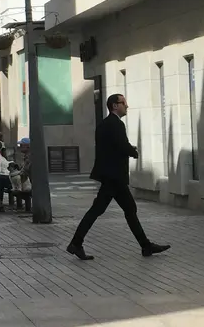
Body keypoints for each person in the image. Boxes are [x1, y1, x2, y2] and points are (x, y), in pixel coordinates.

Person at [68, 94, 170, 261]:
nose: (127, 106)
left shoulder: (104, 124)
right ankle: (76, 243)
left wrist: (128, 148)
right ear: (115, 106)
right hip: (114, 177)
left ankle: (146, 246)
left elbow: (113, 146)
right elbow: (121, 145)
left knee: (127, 210)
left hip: (111, 176)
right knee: (104, 210)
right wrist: (133, 151)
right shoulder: (116, 124)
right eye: (124, 103)